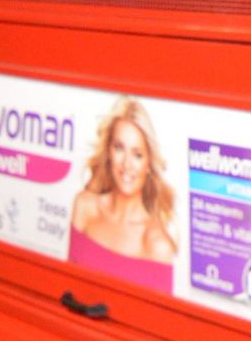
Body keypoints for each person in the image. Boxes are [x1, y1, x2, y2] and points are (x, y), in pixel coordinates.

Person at [68, 98, 177, 293]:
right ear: (108, 152)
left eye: (137, 154)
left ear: (149, 164)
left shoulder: (157, 245)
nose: (127, 165)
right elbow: (68, 291)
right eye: (119, 148)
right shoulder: (84, 207)